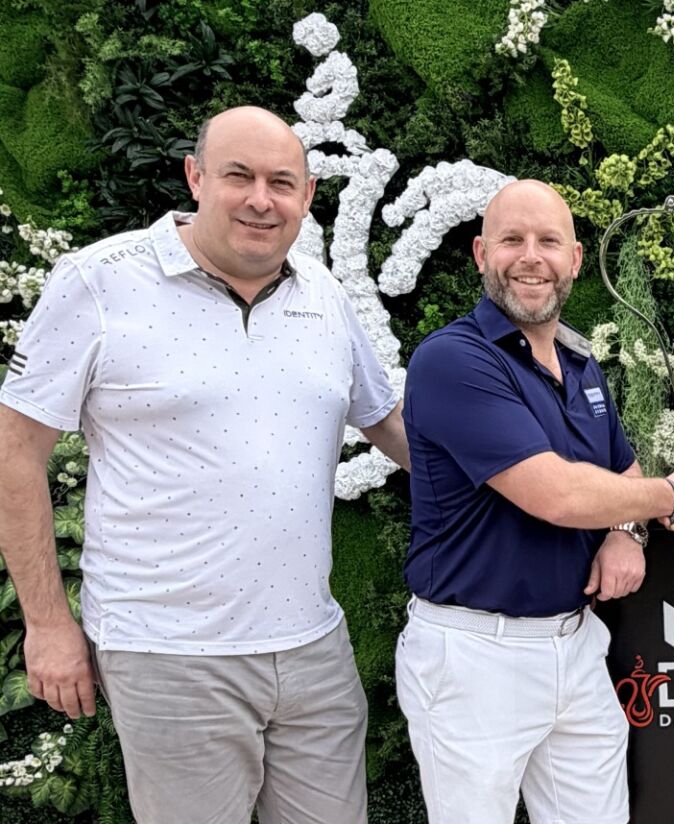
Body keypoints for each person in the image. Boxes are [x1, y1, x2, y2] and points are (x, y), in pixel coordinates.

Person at [0, 106, 410, 823]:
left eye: (281, 182)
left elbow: (393, 426)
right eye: (238, 176)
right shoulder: (98, 282)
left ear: (308, 195)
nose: (261, 200)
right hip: (170, 656)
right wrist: (48, 624)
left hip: (312, 648)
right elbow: (14, 452)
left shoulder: (324, 294)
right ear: (195, 177)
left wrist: (557, 493)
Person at [394, 179, 674, 824]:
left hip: (575, 644)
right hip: (475, 658)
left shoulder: (581, 364)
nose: (530, 257)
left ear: (574, 259)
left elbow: (620, 470)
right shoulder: (452, 360)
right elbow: (558, 495)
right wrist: (669, 498)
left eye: (548, 241)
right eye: (511, 240)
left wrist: (627, 530)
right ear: (481, 254)